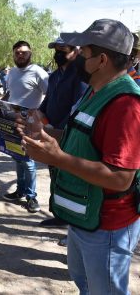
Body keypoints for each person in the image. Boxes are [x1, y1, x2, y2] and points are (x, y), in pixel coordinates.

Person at [21, 19, 140, 294]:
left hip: (107, 226)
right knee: (83, 281)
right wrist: (46, 134)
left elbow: (121, 179)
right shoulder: (95, 92)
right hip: (84, 218)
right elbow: (81, 138)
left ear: (101, 60)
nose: (77, 58)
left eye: (83, 52)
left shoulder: (126, 105)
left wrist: (58, 158)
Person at [38, 37, 87, 228]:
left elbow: (78, 107)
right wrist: (40, 113)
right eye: (56, 50)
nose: (59, 54)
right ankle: (59, 214)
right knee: (54, 175)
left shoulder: (81, 76)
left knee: (69, 179)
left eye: (63, 49)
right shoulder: (54, 76)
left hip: (69, 135)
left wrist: (60, 129)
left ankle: (71, 220)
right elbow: (47, 101)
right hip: (51, 134)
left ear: (75, 51)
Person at [1, 40, 49, 213]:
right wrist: (1, 102)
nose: (20, 55)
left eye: (23, 52)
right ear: (13, 54)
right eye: (17, 52)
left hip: (30, 125)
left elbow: (50, 95)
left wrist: (38, 114)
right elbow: (10, 92)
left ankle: (31, 196)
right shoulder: (12, 72)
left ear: (30, 53)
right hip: (12, 122)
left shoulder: (38, 72)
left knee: (28, 161)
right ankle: (20, 191)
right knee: (17, 157)